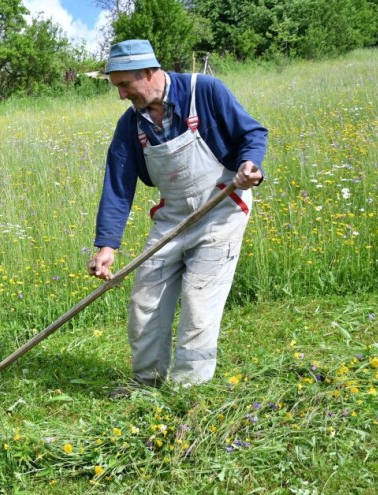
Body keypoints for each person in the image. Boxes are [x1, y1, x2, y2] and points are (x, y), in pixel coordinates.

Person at [86, 39, 267, 391]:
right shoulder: (131, 126)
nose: (121, 95)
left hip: (221, 209)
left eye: (125, 85)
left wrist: (250, 166)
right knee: (144, 301)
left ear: (151, 72)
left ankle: (189, 392)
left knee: (199, 304)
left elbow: (253, 133)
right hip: (172, 219)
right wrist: (107, 246)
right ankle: (146, 383)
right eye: (117, 87)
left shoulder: (204, 92)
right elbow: (118, 183)